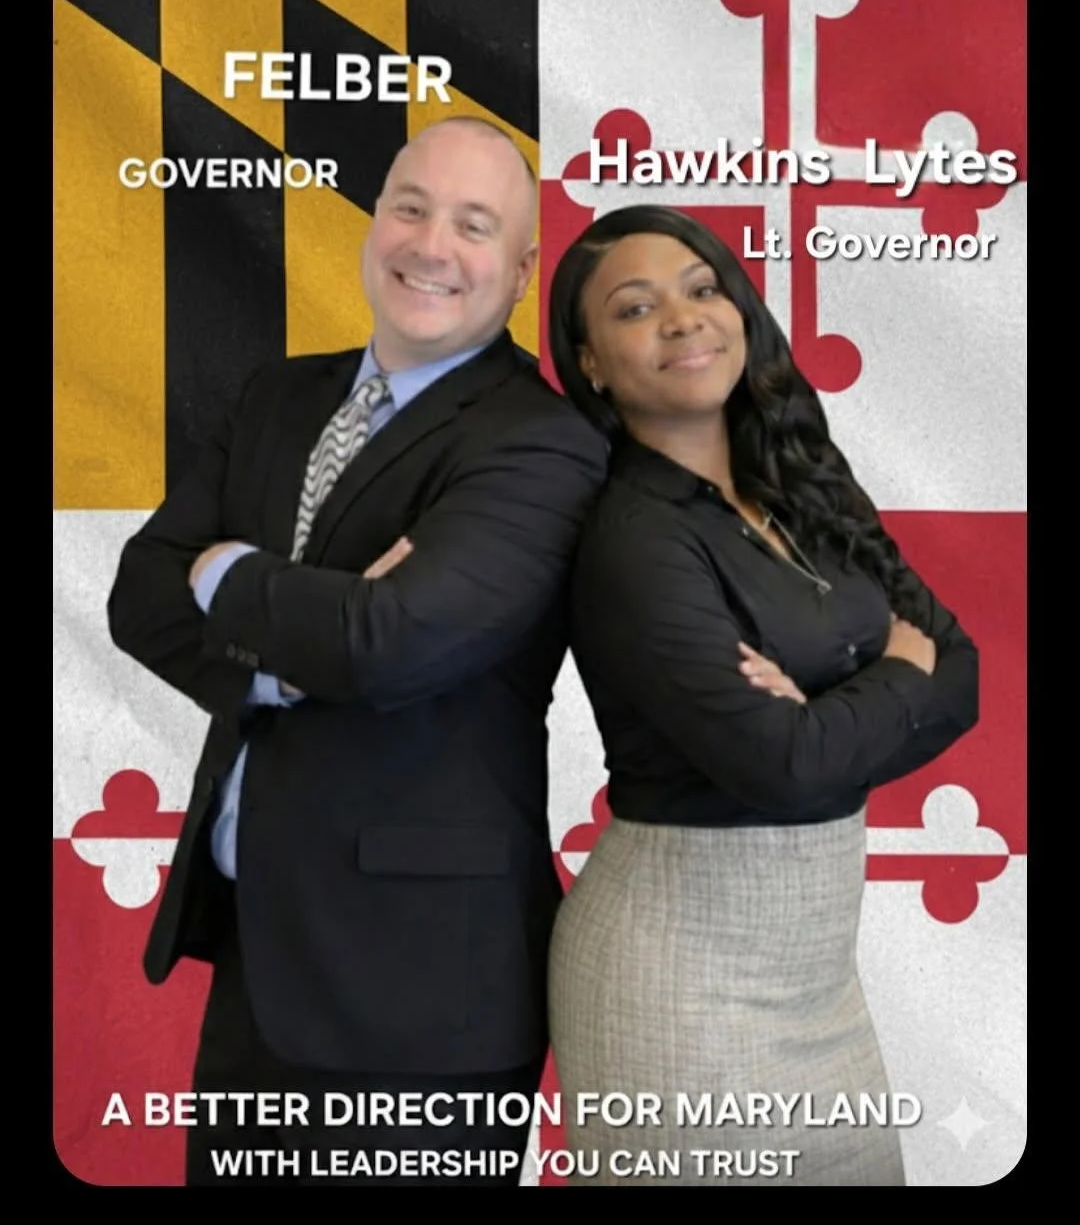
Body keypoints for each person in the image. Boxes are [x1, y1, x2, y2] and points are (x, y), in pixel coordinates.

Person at [106, 116, 609, 1187]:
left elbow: (389, 643)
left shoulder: (542, 441)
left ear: (522, 270)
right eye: (411, 205)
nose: (432, 243)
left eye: (475, 225)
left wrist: (224, 571)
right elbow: (142, 593)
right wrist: (293, 646)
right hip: (256, 949)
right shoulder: (276, 393)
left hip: (423, 989)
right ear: (374, 220)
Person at [545, 205, 979, 1187]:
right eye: (636, 306)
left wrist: (833, 708)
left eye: (703, 288)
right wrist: (893, 671)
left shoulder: (800, 482)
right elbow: (787, 765)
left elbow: (965, 671)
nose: (685, 318)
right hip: (676, 988)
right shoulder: (632, 538)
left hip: (822, 985)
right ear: (594, 364)